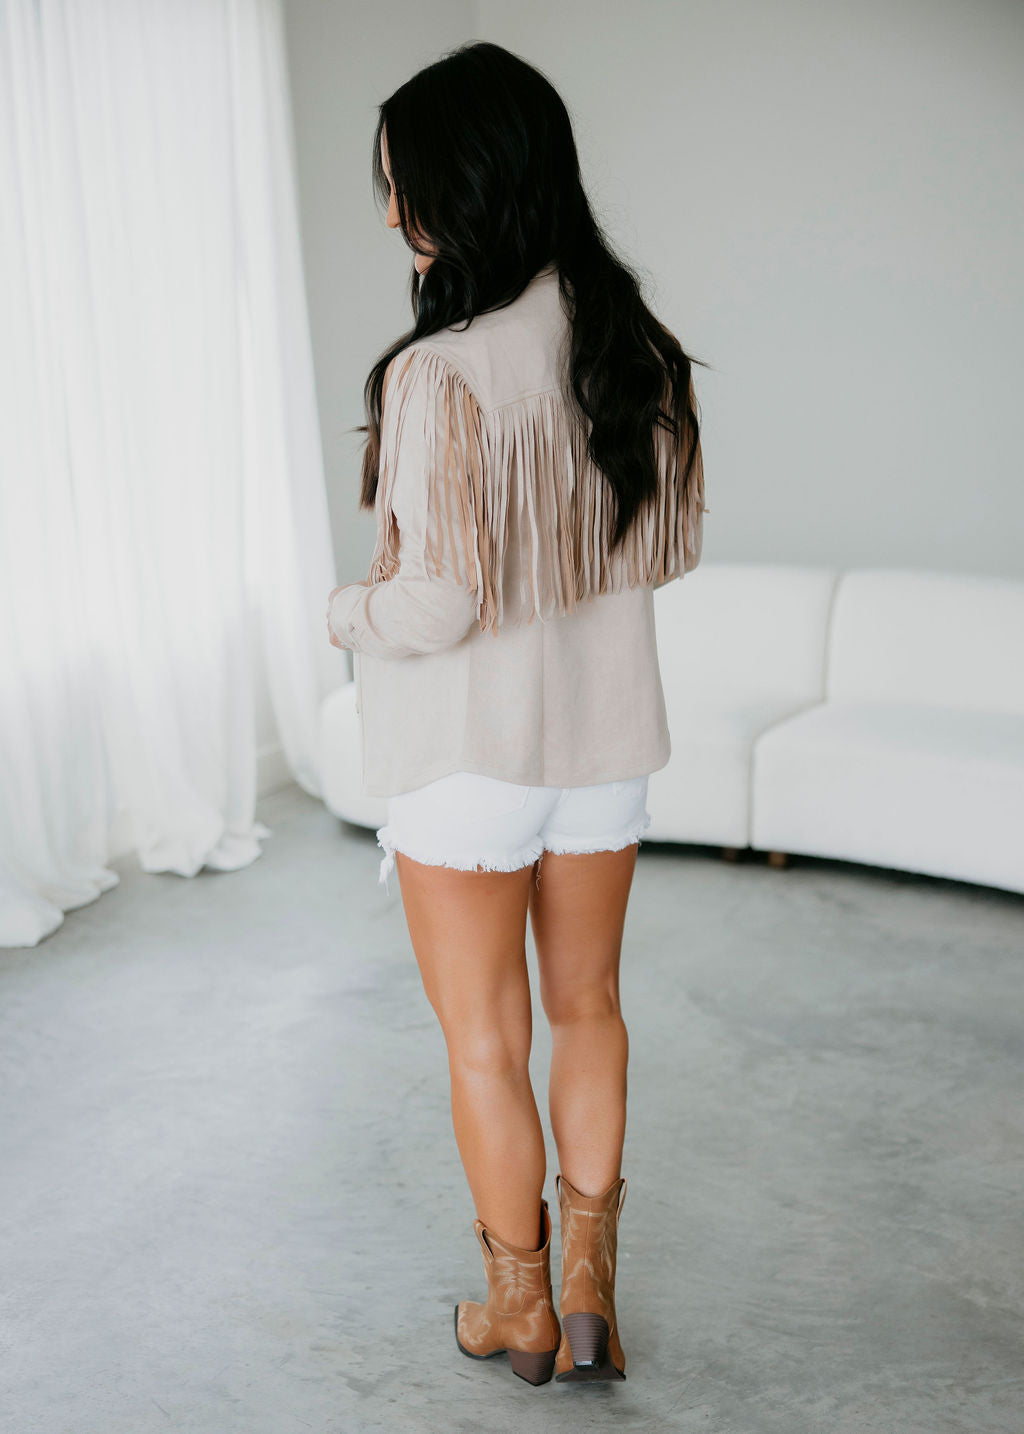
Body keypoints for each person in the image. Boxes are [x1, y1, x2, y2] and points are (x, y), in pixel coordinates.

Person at [326, 41, 709, 1387]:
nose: (393, 211)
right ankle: (593, 1290)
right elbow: (667, 546)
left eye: (405, 182)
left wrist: (343, 610)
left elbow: (431, 606)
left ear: (470, 182)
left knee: (485, 1039)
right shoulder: (632, 350)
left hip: (467, 758)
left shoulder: (442, 374)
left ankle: (522, 1309)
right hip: (604, 745)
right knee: (590, 1005)